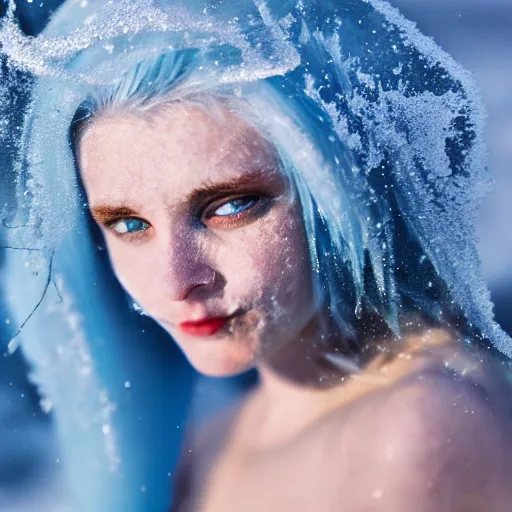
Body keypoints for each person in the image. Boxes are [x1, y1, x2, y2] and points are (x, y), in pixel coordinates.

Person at [2, 0, 512, 510]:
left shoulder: (417, 432)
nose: (175, 281)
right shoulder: (207, 444)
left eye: (231, 206)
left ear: (339, 185)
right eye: (129, 224)